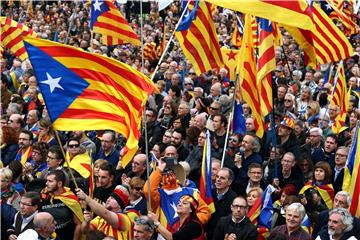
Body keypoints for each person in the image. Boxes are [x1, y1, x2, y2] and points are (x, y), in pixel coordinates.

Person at [40, 170, 84, 240]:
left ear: (59, 184)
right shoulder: (43, 194)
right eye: (47, 180)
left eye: (50, 181)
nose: (46, 183)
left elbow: (79, 224)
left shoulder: (71, 199)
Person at [207, 168, 237, 240]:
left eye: (222, 178)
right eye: (217, 176)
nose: (218, 180)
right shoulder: (209, 193)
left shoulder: (234, 199)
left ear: (229, 182)